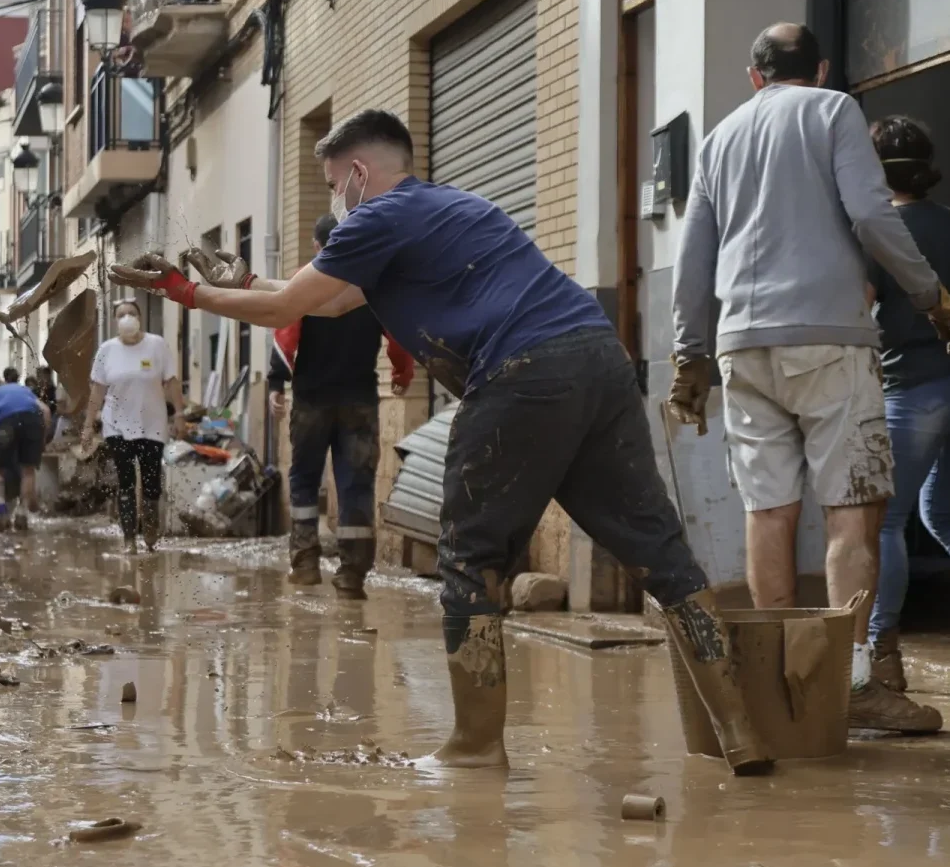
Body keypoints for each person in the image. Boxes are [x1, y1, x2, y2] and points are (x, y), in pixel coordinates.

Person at [109, 108, 772, 776]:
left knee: (469, 556)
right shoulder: (445, 208)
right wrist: (244, 283)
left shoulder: (375, 216)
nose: (337, 202)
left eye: (337, 185)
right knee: (660, 552)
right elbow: (328, 300)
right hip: (598, 358)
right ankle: (741, 731)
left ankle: (477, 747)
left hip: (522, 372)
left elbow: (290, 310)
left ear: (361, 174)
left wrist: (186, 292)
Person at [669, 23, 950, 733]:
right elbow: (871, 212)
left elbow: (693, 255)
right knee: (854, 509)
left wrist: (689, 353)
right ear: (820, 68)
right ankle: (852, 683)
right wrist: (930, 295)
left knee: (769, 512)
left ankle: (776, 687)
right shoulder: (832, 111)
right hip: (828, 338)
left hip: (742, 347)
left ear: (754, 73)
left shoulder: (720, 137)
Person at [267, 213, 415, 598]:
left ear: (318, 247)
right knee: (356, 483)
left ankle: (304, 565)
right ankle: (351, 575)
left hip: (312, 399)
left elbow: (284, 328)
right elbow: (400, 333)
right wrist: (402, 373)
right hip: (359, 401)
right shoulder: (371, 284)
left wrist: (276, 382)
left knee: (303, 479)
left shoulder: (307, 281)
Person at [863, 116, 950, 690]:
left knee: (884, 520)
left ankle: (879, 651)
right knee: (938, 509)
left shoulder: (878, 232)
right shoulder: (947, 223)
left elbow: (859, 304)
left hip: (913, 386)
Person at [83, 300, 187, 554]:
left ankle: (150, 529)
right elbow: (97, 390)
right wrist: (88, 425)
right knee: (126, 480)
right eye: (121, 315)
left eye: (132, 313)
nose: (127, 317)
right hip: (116, 424)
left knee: (151, 482)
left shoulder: (157, 345)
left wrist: (180, 414)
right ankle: (129, 538)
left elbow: (171, 381)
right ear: (116, 322)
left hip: (152, 424)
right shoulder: (107, 351)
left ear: (140, 318)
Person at [0, 377, 47, 531]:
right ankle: (22, 514)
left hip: (6, 425)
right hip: (33, 422)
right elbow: (46, 411)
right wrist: (40, 443)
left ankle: (1, 513)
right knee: (28, 470)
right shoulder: (23, 390)